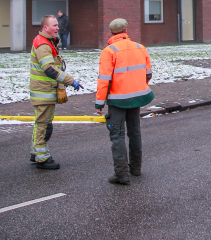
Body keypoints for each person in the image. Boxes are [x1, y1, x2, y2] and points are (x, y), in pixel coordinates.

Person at [95, 18, 154, 185]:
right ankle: (136, 168)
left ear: (112, 33)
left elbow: (104, 80)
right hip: (136, 98)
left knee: (117, 135)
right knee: (134, 132)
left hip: (117, 100)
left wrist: (99, 103)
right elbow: (148, 74)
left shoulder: (109, 51)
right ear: (126, 31)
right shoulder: (139, 47)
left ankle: (121, 174)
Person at [29, 15, 83, 170]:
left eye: (58, 25)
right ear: (45, 28)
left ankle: (35, 153)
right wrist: (70, 80)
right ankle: (42, 159)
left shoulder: (46, 42)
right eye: (54, 25)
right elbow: (49, 70)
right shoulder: (43, 45)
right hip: (43, 92)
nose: (58, 28)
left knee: (41, 123)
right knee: (44, 125)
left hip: (44, 91)